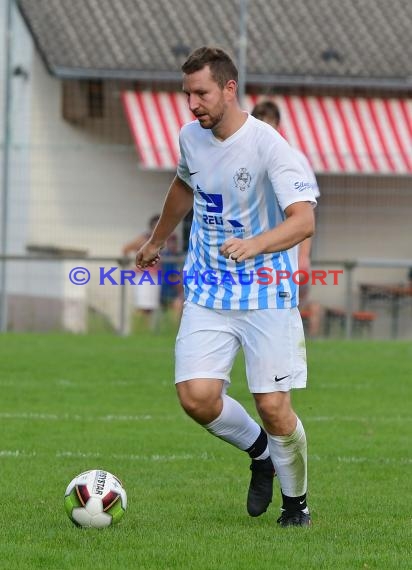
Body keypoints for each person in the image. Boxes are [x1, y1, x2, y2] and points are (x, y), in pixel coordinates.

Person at [136, 47, 317, 527]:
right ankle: (260, 454)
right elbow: (182, 186)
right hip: (208, 289)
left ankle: (296, 504)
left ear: (229, 89)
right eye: (187, 94)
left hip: (265, 291)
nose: (192, 104)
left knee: (274, 406)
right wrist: (158, 240)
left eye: (201, 93)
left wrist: (256, 244)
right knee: (196, 396)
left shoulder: (270, 147)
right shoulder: (191, 138)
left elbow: (303, 221)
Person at [251, 100, 322, 337]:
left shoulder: (295, 159)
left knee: (283, 318)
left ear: (277, 125)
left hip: (284, 252)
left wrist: (303, 256)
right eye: (259, 123)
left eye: (268, 124)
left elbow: (307, 214)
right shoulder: (244, 158)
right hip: (250, 251)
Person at [122, 214, 161, 329]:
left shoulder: (162, 240)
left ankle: (147, 330)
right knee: (141, 306)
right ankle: (137, 328)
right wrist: (133, 266)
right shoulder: (144, 239)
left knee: (151, 307)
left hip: (155, 276)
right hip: (144, 276)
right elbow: (126, 249)